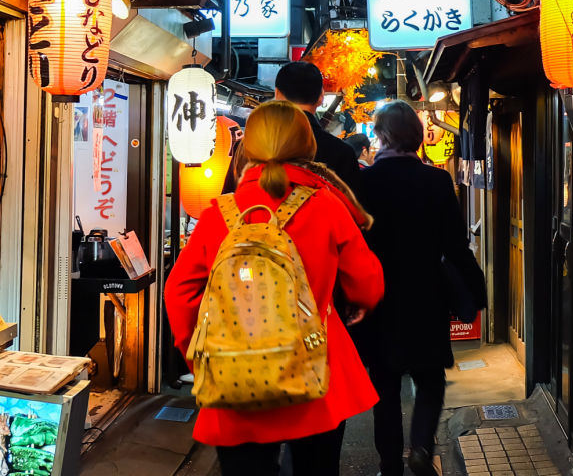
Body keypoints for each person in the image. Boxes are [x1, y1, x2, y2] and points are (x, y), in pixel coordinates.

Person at [164, 101, 384, 476]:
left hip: (233, 381)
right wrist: (361, 304)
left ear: (247, 147)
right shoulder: (325, 203)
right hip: (314, 373)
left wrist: (201, 356)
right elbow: (366, 278)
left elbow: (179, 292)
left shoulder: (221, 212)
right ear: (306, 145)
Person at [359, 100, 479, 476]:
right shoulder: (437, 181)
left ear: (380, 136)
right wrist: (473, 287)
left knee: (385, 389)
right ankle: (422, 447)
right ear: (416, 136)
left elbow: (355, 245)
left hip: (378, 298)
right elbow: (455, 245)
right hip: (426, 294)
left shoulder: (363, 183)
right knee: (430, 378)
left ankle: (390, 465)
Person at [275, 61, 362, 197]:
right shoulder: (342, 153)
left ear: (277, 94)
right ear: (321, 96)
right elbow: (355, 210)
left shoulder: (254, 148)